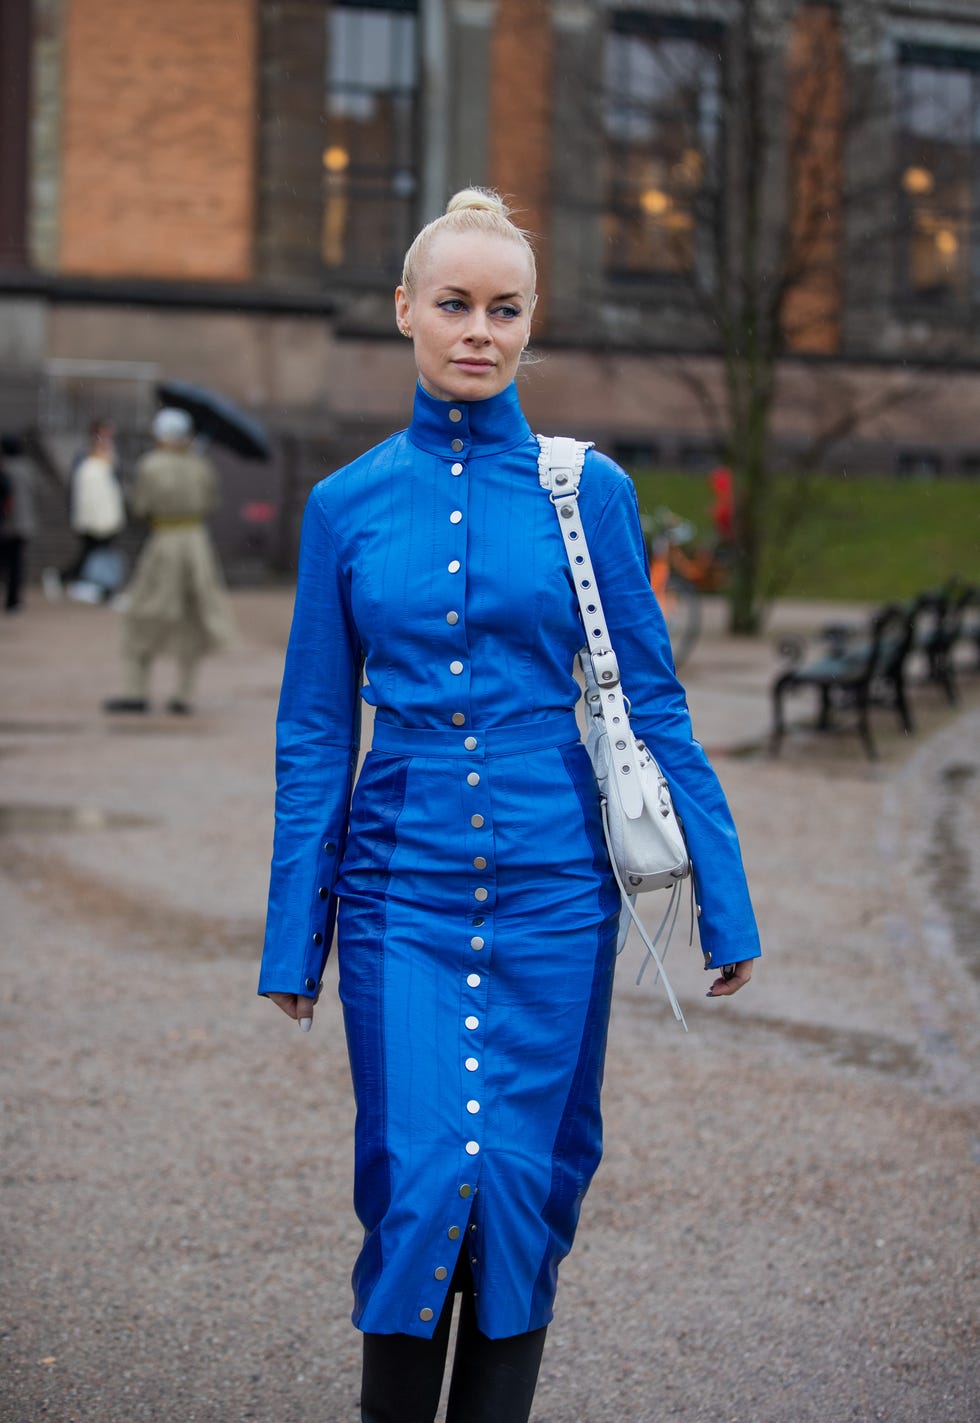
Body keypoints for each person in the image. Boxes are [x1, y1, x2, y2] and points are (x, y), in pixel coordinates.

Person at [258, 189, 760, 1423]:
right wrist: (294, 930)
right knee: (418, 1177)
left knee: (528, 1187)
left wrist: (723, 896)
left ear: (531, 326)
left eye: (504, 309)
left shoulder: (584, 491)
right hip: (398, 891)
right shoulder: (346, 505)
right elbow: (318, 728)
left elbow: (650, 701)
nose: (476, 331)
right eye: (453, 305)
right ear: (404, 313)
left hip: (554, 890)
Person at [103, 408, 236, 714]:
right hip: (197, 543)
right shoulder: (201, 465)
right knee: (192, 616)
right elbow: (212, 502)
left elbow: (142, 506)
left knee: (143, 613)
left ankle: (136, 691)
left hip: (164, 542)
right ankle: (184, 694)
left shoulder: (151, 464)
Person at [42, 419, 126, 601]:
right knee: (91, 553)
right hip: (92, 515)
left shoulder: (109, 455)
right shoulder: (85, 457)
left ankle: (96, 586)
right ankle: (73, 580)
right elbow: (80, 489)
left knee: (96, 553)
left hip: (106, 514)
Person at [0, 435, 36, 615]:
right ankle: (13, 602)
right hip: (24, 524)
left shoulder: (5, 469)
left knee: (6, 564)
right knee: (17, 564)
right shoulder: (28, 469)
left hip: (7, 524)